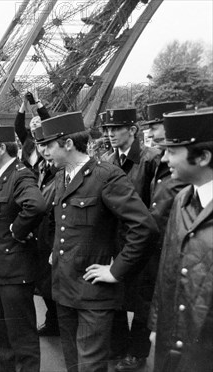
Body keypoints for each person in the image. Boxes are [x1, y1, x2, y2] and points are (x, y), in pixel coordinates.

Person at [39, 112, 158, 372]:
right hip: (65, 286)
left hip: (94, 293)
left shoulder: (106, 176)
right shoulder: (62, 176)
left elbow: (144, 227)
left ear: (67, 144)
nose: (44, 151)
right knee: (73, 363)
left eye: (48, 145)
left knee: (90, 366)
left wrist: (117, 270)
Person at [149, 107, 213, 372]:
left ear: (203, 157)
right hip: (173, 340)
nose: (164, 159)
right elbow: (167, 270)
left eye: (172, 152)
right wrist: (156, 325)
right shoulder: (181, 199)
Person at [0, 125, 46, 372]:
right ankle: (5, 367)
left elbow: (35, 206)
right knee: (3, 326)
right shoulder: (1, 173)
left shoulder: (20, 174)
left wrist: (15, 232)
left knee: (21, 331)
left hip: (14, 268)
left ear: (2, 148)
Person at [101, 108, 161, 369]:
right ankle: (118, 347)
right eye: (108, 129)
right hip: (114, 241)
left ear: (133, 130)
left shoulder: (150, 160)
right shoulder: (106, 159)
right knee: (113, 295)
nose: (111, 133)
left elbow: (155, 206)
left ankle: (137, 352)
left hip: (142, 244)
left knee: (141, 300)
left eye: (117, 128)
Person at [14, 92, 60, 337]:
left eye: (37, 124)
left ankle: (56, 322)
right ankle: (53, 321)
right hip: (38, 209)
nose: (34, 126)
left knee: (50, 278)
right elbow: (18, 125)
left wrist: (37, 105)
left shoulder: (53, 159)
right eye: (32, 125)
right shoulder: (29, 145)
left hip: (50, 217)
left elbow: (47, 119)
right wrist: (23, 106)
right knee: (44, 279)